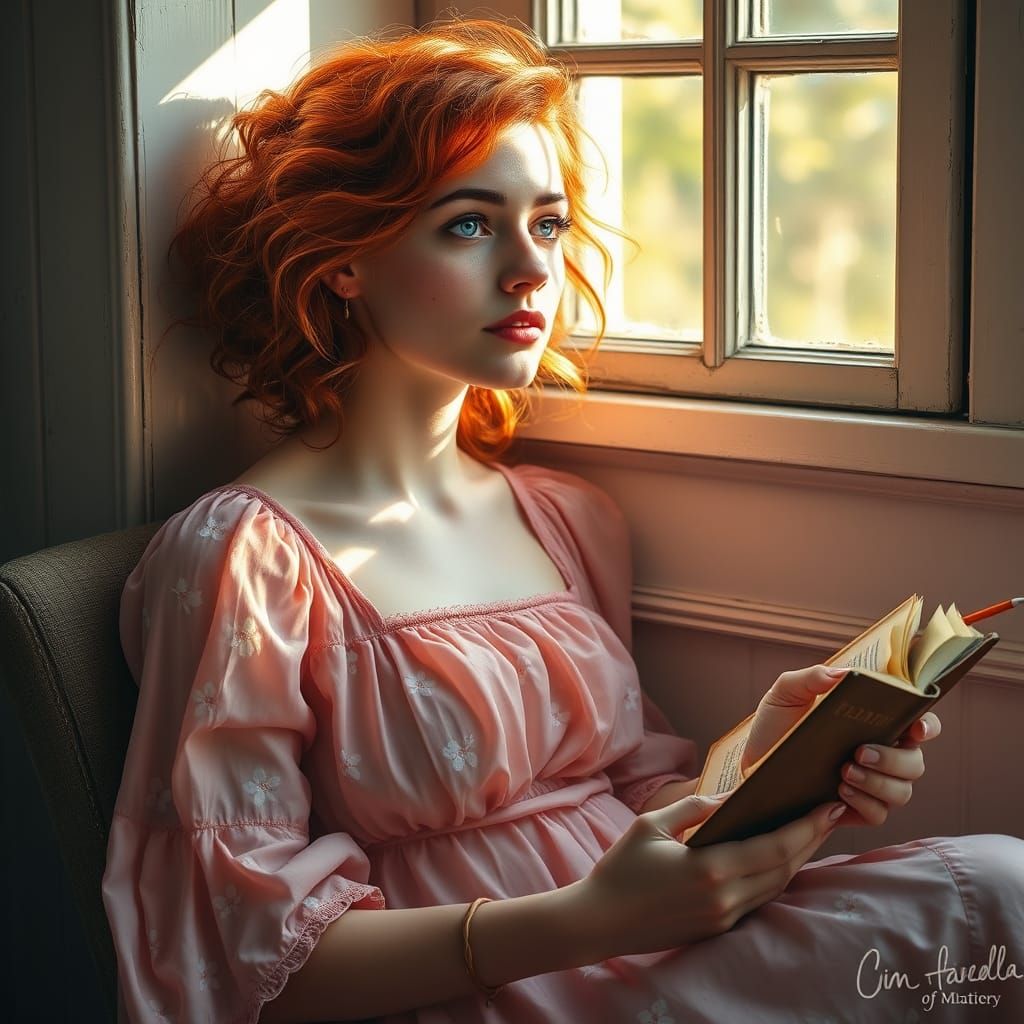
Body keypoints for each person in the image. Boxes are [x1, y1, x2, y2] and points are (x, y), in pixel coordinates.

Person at [101, 18, 1024, 1024]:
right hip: (484, 990)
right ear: (343, 262)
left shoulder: (567, 517)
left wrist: (767, 760)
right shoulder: (242, 556)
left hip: (648, 947)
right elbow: (238, 962)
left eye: (545, 223)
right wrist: (586, 921)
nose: (530, 269)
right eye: (468, 224)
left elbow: (632, 805)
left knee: (996, 892)